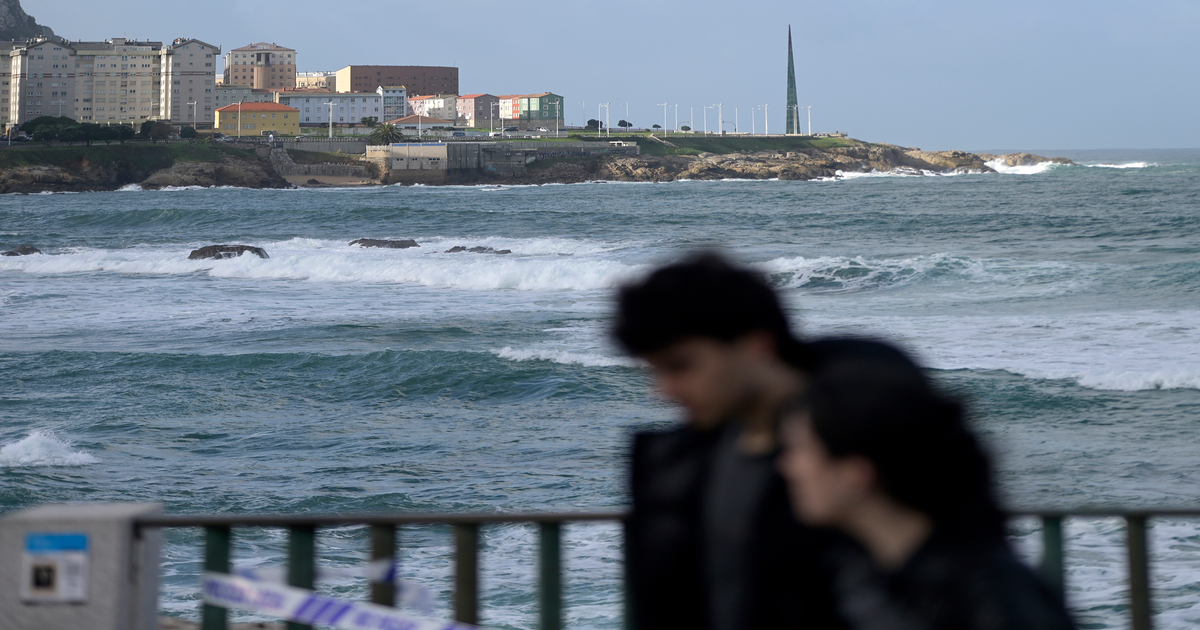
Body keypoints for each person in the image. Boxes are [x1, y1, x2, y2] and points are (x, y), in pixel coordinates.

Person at [614, 252, 845, 630]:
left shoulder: (855, 458)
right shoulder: (683, 462)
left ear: (755, 346)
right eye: (655, 371)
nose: (664, 391)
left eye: (680, 366)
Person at [777, 338, 1075, 630]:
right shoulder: (862, 578)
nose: (786, 467)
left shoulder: (986, 595)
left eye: (800, 451)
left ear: (857, 474)